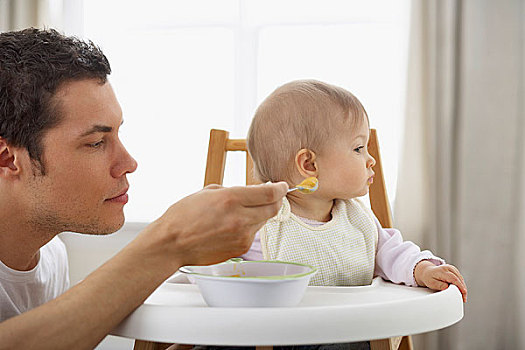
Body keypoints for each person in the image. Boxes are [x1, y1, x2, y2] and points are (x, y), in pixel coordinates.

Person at [0, 27, 288, 349]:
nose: (128, 162)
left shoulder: (50, 258)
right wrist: (168, 241)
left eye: (117, 135)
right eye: (96, 142)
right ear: (8, 159)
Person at [243, 79, 468, 298]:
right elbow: (220, 267)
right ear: (309, 165)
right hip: (286, 335)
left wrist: (423, 270)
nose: (371, 161)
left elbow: (393, 254)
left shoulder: (357, 219)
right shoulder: (261, 224)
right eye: (359, 148)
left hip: (355, 332)